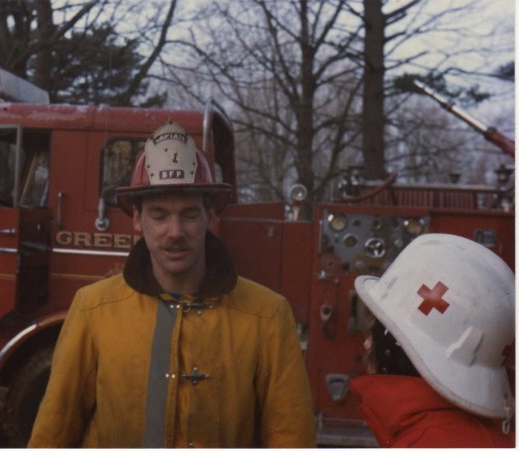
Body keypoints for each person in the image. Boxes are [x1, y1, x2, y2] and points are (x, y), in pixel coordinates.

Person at [28, 119, 316, 448]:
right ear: (137, 219)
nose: (175, 231)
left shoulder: (267, 316)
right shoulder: (93, 310)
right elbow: (52, 435)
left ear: (212, 216)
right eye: (159, 215)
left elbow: (292, 439)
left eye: (190, 214)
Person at [349, 233, 515, 448]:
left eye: (375, 332)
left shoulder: (421, 442)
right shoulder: (496, 437)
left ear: (404, 348)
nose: (367, 345)